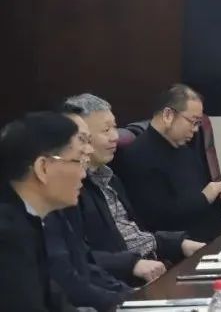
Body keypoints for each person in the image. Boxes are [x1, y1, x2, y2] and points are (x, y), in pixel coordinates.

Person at [62, 94, 205, 284]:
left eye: (114, 127)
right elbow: (79, 258)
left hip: (153, 268)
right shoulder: (69, 190)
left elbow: (137, 232)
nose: (115, 136)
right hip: (121, 282)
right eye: (106, 130)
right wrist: (131, 264)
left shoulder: (110, 178)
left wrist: (178, 243)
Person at [118, 84, 221, 241]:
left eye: (198, 124)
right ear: (168, 115)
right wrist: (206, 196)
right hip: (187, 246)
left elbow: (200, 201)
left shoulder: (184, 149)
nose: (196, 130)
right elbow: (158, 218)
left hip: (215, 237)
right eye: (193, 122)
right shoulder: (139, 156)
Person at [43, 107, 132, 311]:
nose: (89, 150)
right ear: (43, 166)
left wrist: (129, 298)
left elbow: (82, 270)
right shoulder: (15, 226)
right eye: (82, 141)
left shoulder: (56, 211)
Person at [0, 112, 88, 312]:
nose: (83, 174)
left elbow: (54, 300)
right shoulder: (7, 236)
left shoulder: (28, 219)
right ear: (43, 168)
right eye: (78, 161)